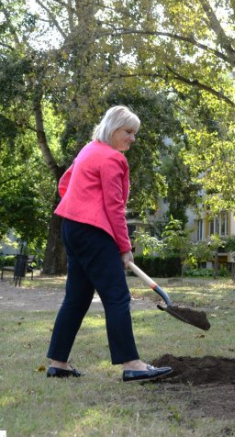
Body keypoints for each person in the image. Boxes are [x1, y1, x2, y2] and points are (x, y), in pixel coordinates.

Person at [46, 105, 172, 383]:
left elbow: (65, 185)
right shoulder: (112, 158)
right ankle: (132, 364)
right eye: (128, 132)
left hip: (71, 226)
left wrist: (80, 206)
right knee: (117, 296)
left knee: (77, 298)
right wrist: (125, 247)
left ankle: (58, 362)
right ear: (113, 128)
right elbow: (115, 206)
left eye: (134, 133)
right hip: (92, 231)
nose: (132, 138)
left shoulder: (88, 150)